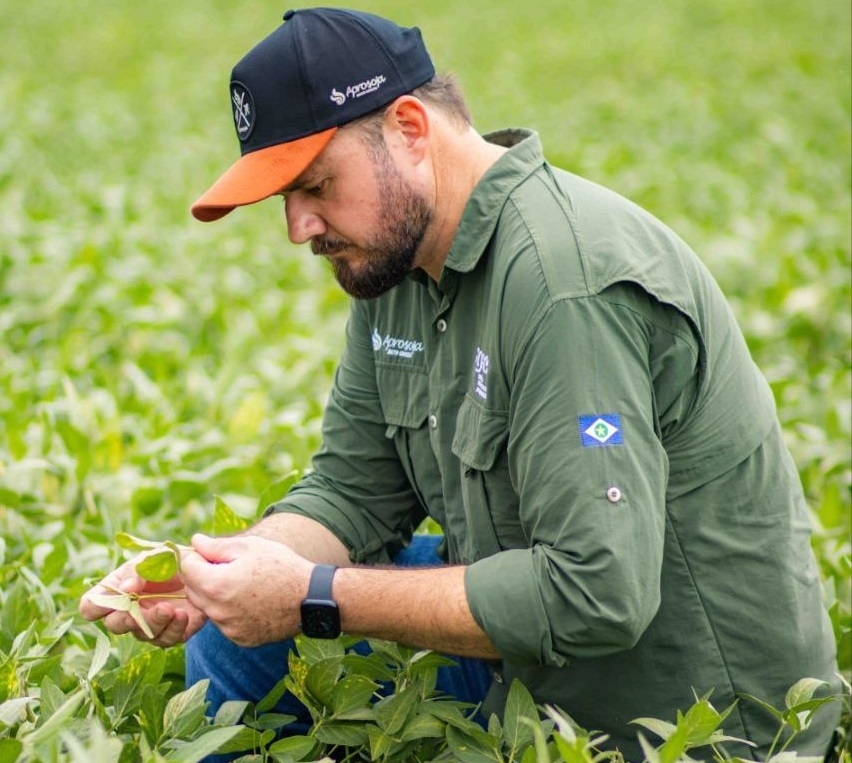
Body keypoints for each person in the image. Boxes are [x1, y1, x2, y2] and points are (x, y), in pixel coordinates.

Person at [80, 7, 841, 760]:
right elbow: (351, 489)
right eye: (286, 199)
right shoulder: (396, 264)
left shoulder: (563, 286)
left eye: (314, 185)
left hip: (675, 721)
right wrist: (219, 574)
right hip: (521, 672)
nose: (297, 228)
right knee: (232, 645)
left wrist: (316, 595)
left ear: (410, 128)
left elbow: (596, 591)